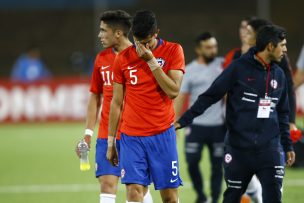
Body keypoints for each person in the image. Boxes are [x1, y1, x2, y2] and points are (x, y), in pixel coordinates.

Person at [175, 25, 296, 203]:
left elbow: (283, 113)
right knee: (232, 197)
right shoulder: (238, 68)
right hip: (239, 149)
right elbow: (210, 96)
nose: (285, 49)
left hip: (270, 149)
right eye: (282, 45)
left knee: (273, 198)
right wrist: (183, 121)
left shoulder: (279, 74)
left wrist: (287, 145)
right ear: (270, 46)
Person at [106, 10, 185, 203]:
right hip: (131, 137)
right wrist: (110, 142)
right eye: (138, 42)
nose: (142, 47)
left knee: (170, 198)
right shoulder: (123, 58)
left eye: (147, 42)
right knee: (134, 193)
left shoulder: (174, 51)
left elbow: (173, 91)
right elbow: (116, 103)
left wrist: (151, 62)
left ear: (156, 32)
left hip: (162, 135)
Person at [75, 10, 153, 203]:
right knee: (107, 184)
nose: (100, 35)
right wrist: (87, 135)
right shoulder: (101, 59)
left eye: (103, 31)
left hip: (134, 134)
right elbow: (95, 97)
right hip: (106, 133)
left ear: (118, 33)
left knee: (138, 189)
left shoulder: (141, 57)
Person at [174, 32, 226, 203]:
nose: (213, 50)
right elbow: (180, 98)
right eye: (208, 47)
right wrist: (175, 124)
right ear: (198, 50)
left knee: (218, 166)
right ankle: (201, 196)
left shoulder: (223, 66)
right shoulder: (189, 70)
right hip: (196, 126)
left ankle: (214, 198)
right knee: (192, 162)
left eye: (214, 47)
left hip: (219, 126)